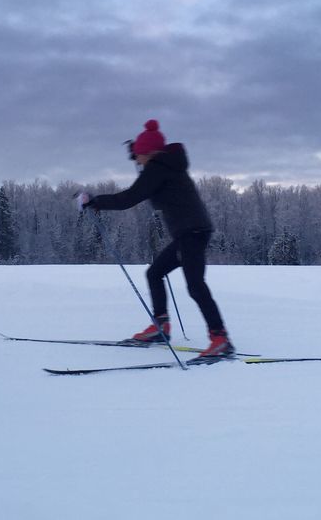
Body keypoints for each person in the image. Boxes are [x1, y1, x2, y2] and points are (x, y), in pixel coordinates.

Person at [77, 120, 234, 361]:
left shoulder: (158, 169)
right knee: (154, 273)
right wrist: (138, 155)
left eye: (138, 155)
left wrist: (95, 202)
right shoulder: (166, 165)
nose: (136, 159)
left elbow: (131, 197)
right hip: (189, 232)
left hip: (192, 233)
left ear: (147, 153)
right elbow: (147, 183)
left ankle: (220, 338)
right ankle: (160, 329)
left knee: (195, 286)